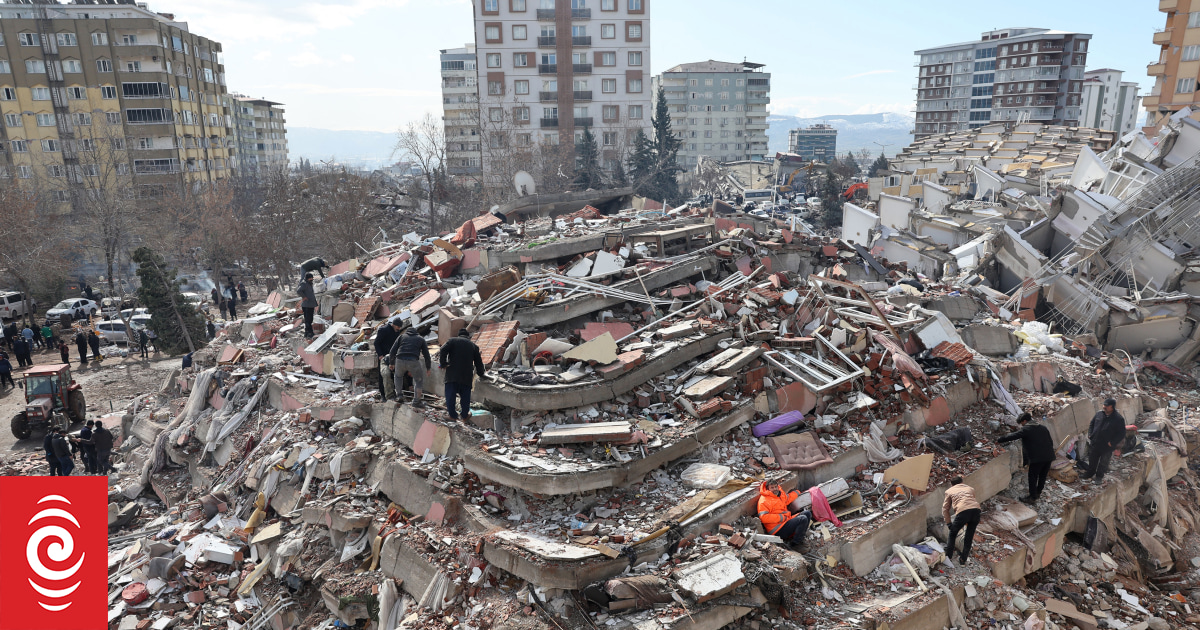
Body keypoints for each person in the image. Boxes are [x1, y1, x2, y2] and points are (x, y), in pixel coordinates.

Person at [997, 412, 1056, 503]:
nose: (1021, 425)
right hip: (1049, 456)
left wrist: (1000, 440)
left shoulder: (1027, 429)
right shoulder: (1043, 428)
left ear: (1025, 421)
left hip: (1037, 459)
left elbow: (1013, 436)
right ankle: (1038, 492)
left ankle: (1032, 497)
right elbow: (1050, 442)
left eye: (1021, 423)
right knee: (1042, 476)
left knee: (1032, 477)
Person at [438, 328, 485, 421]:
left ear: (459, 335)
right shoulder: (473, 346)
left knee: (450, 396)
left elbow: (442, 349)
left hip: (452, 375)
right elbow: (478, 363)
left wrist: (443, 363)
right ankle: (464, 415)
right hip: (466, 376)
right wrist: (481, 373)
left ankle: (452, 416)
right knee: (465, 398)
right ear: (468, 337)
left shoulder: (452, 341)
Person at [1081, 398, 1126, 484]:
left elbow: (1121, 433)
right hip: (1095, 442)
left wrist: (1112, 442)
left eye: (1106, 405)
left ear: (1112, 407)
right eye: (1104, 405)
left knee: (1103, 462)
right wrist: (1090, 434)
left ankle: (1099, 477)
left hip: (1107, 445)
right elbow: (1092, 424)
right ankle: (1089, 473)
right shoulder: (1099, 414)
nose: (1104, 407)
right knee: (1092, 459)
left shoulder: (1118, 419)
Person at [387, 325, 430, 408]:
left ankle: (399, 396)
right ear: (416, 332)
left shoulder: (401, 337)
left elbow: (392, 351)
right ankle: (416, 402)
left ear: (407, 331)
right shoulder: (420, 338)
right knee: (418, 380)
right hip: (413, 361)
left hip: (399, 360)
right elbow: (426, 355)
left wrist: (391, 363)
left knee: (398, 376)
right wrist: (428, 368)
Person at [756, 482, 811, 547]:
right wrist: (781, 517)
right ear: (768, 489)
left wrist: (797, 492)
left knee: (807, 513)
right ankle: (796, 544)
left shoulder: (779, 495)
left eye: (776, 487)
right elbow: (763, 518)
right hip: (777, 530)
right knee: (802, 519)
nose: (775, 489)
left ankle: (798, 537)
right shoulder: (764, 501)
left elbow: (788, 498)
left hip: (785, 522)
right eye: (772, 488)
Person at [942, 476, 981, 565]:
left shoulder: (949, 491)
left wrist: (948, 523)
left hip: (962, 511)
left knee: (952, 534)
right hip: (976, 511)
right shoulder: (970, 489)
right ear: (962, 482)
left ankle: (948, 556)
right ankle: (963, 559)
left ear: (951, 484)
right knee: (969, 537)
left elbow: (945, 509)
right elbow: (971, 502)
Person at [374, 317, 404, 401]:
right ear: (393, 325)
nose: (398, 329)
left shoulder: (397, 332)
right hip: (383, 356)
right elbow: (376, 343)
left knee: (393, 375)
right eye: (398, 327)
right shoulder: (383, 330)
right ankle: (383, 395)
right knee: (383, 375)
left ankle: (392, 394)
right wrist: (380, 355)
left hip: (392, 356)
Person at [298, 273, 317, 339]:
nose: (311, 279)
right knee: (308, 319)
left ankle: (306, 332)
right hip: (306, 305)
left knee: (310, 319)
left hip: (311, 304)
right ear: (307, 278)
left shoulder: (309, 283)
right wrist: (304, 297)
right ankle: (310, 332)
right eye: (310, 278)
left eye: (312, 278)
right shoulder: (304, 284)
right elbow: (298, 291)